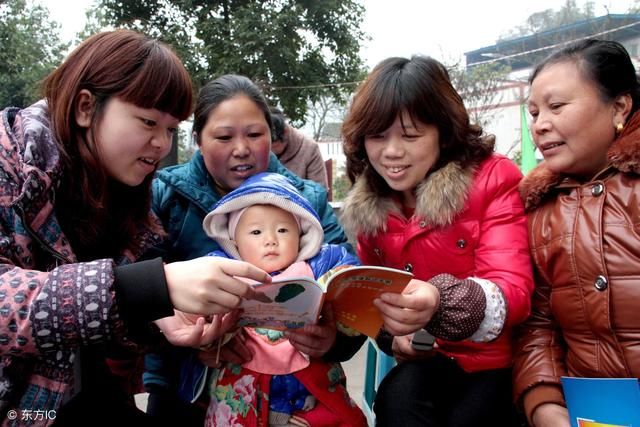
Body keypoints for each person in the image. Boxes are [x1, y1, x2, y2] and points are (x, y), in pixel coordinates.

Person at [0, 30, 271, 426]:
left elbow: (124, 310)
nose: (161, 143)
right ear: (86, 108)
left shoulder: (122, 189)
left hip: (87, 397)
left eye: (171, 129)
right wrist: (146, 288)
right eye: (148, 122)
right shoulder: (9, 162)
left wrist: (163, 318)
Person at [144, 74, 359, 423]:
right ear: (198, 139)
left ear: (272, 137)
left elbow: (350, 290)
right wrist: (195, 345)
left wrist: (333, 341)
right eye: (224, 136)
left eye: (255, 134)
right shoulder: (164, 197)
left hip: (294, 388)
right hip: (182, 386)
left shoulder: (307, 200)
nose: (241, 148)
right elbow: (134, 294)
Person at [340, 55, 534, 426]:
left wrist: (438, 301)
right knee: (396, 400)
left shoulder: (492, 179)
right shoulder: (370, 208)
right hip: (427, 360)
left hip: (493, 360)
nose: (392, 152)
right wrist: (393, 336)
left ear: (443, 133)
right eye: (377, 136)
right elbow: (377, 303)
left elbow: (513, 290)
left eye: (410, 136)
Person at [512, 39, 640, 427]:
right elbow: (538, 325)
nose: (540, 124)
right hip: (594, 413)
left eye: (556, 106)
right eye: (533, 112)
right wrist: (543, 402)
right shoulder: (539, 210)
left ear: (618, 106)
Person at [193, 171, 366, 426]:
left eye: (283, 229)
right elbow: (195, 310)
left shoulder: (319, 266)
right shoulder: (220, 270)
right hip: (243, 378)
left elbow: (349, 274)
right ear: (234, 241)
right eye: (255, 232)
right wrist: (209, 338)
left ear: (301, 235)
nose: (271, 240)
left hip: (310, 376)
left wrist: (343, 282)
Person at [270, 107, 329, 188]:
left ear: (285, 132)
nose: (270, 152)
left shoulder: (309, 148)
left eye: (273, 145)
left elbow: (319, 191)